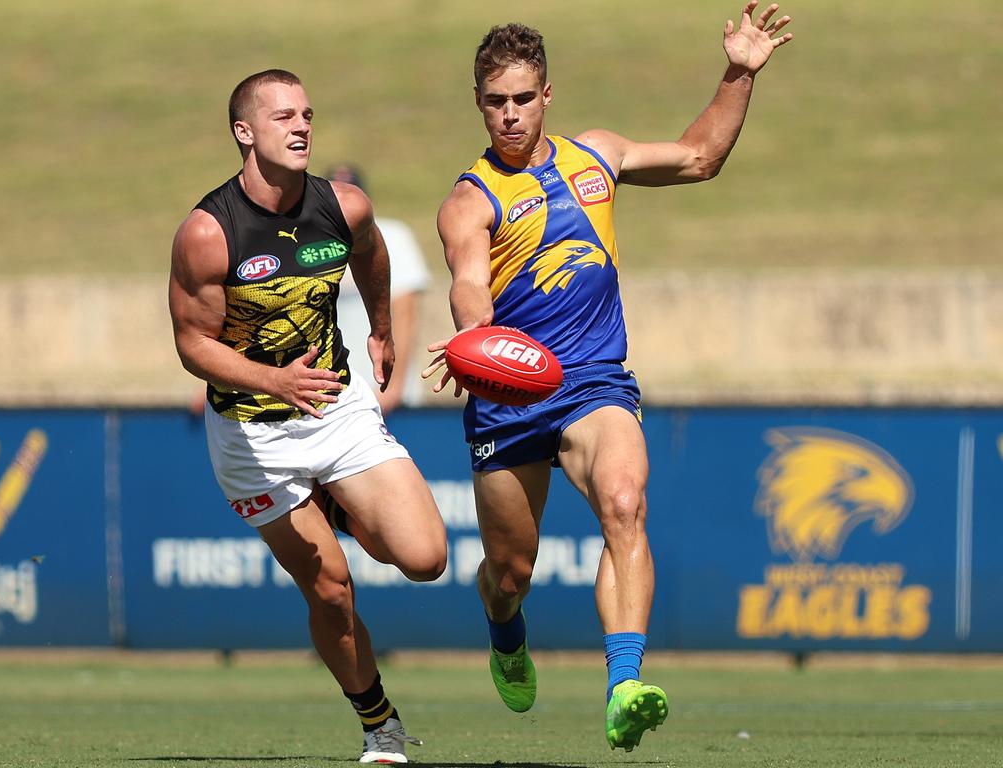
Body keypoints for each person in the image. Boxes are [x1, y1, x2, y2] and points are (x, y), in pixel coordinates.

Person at [423, 2, 792, 753]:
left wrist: (738, 74)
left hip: (593, 380)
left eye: (523, 99)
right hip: (510, 394)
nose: (511, 116)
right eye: (496, 102)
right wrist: (475, 339)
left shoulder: (596, 156)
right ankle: (503, 628)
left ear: (548, 95)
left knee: (625, 503)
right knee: (510, 570)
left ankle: (625, 685)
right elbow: (468, 282)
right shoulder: (470, 199)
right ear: (478, 104)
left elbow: (699, 158)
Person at [168, 68, 446, 765]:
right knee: (329, 588)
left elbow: (373, 258)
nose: (301, 128)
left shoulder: (342, 206)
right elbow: (192, 343)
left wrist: (381, 330)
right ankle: (379, 722)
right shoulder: (208, 233)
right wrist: (271, 380)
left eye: (308, 115)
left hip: (336, 405)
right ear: (244, 132)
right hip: (253, 437)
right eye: (284, 116)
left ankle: (340, 506)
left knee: (424, 558)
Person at [326, 164, 432, 413]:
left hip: (383, 392)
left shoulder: (392, 236)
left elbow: (405, 313)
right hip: (331, 396)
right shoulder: (309, 245)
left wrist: (394, 388)